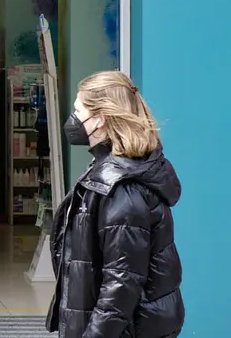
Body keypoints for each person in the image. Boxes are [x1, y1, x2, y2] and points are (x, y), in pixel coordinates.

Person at [47, 71, 183, 338]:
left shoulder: (123, 189)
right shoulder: (110, 172)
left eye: (78, 110)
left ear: (99, 119)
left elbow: (121, 284)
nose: (72, 120)